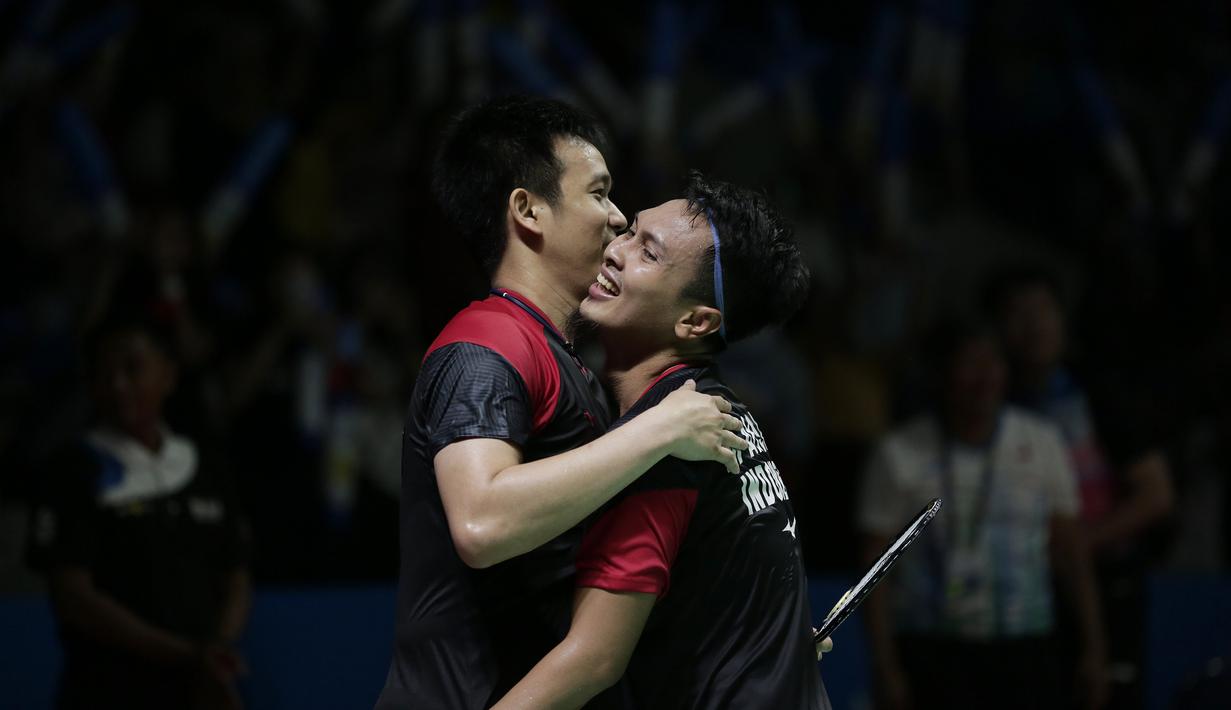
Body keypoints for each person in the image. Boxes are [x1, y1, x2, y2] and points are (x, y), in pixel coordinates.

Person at [375, 97, 747, 709]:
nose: (617, 216)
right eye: (598, 193)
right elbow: (482, 521)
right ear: (528, 211)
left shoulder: (559, 357)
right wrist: (657, 431)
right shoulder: (485, 345)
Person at [494, 172, 829, 709]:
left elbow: (593, 659)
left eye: (647, 253)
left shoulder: (670, 444)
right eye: (631, 231)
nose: (615, 248)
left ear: (696, 321)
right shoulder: (721, 412)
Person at [857, 321, 1108, 710]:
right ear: (942, 374)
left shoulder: (1042, 442)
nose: (984, 377)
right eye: (969, 364)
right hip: (932, 650)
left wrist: (1094, 650)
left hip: (1025, 646)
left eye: (993, 362)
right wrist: (885, 666)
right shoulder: (898, 452)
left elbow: (1073, 553)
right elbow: (876, 567)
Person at [27, 315, 251, 710]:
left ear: (168, 375)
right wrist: (182, 654)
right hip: (108, 692)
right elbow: (73, 595)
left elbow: (236, 574)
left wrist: (215, 652)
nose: (118, 385)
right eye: (104, 373)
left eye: (132, 368)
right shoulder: (72, 468)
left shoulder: (205, 465)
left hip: (197, 690)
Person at [986, 266, 1175, 708]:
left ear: (1062, 320)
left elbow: (1157, 494)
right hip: (1028, 600)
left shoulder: (1098, 392)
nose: (1033, 324)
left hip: (1109, 588)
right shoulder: (993, 403)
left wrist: (1076, 547)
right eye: (1017, 313)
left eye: (1043, 310)